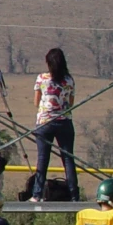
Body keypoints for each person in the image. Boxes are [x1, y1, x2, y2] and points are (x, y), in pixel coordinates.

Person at [31, 48, 79, 202]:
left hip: (44, 123)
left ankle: (37, 194)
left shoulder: (41, 78)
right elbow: (71, 103)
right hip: (64, 122)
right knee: (68, 158)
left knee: (43, 159)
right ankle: (74, 195)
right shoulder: (69, 80)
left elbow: (36, 102)